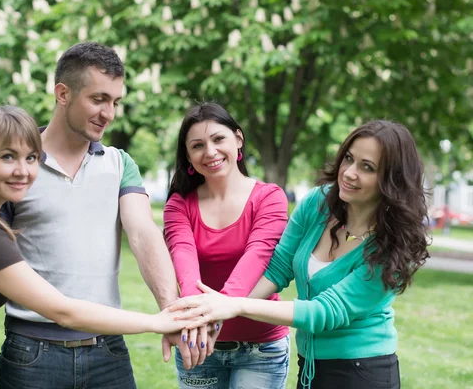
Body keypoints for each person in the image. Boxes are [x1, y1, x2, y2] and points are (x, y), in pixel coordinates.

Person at [0, 106, 190, 389]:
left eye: (31, 158)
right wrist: (156, 321)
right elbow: (62, 310)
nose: (22, 171)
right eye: (7, 157)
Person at [0, 42, 207, 389]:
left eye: (115, 102)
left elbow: (142, 233)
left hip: (108, 353)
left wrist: (172, 311)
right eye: (98, 99)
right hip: (32, 353)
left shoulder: (120, 163)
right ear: (62, 93)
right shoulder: (18, 167)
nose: (109, 113)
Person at [171, 120, 430, 389]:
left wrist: (235, 305)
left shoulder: (394, 246)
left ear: (391, 180)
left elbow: (325, 311)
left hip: (364, 370)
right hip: (310, 365)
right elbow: (278, 268)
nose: (350, 173)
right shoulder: (319, 203)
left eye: (367, 167)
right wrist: (217, 314)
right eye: (349, 159)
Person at [164, 102, 291, 389]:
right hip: (199, 345)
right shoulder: (179, 205)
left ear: (238, 139)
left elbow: (257, 256)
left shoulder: (269, 197)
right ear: (187, 155)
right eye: (197, 145)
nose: (210, 152)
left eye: (218, 139)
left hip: (261, 348)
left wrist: (211, 316)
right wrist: (203, 322)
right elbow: (186, 267)